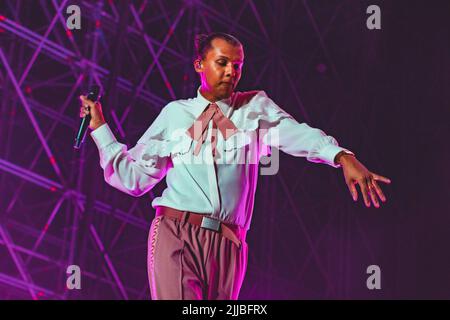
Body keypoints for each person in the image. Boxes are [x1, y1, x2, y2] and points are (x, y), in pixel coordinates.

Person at [79, 32, 391, 300]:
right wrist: (100, 128)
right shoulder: (176, 114)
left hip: (229, 243)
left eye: (237, 65)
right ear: (200, 64)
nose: (231, 71)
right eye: (222, 62)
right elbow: (134, 178)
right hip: (176, 232)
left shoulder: (254, 108)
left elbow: (300, 135)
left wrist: (343, 157)